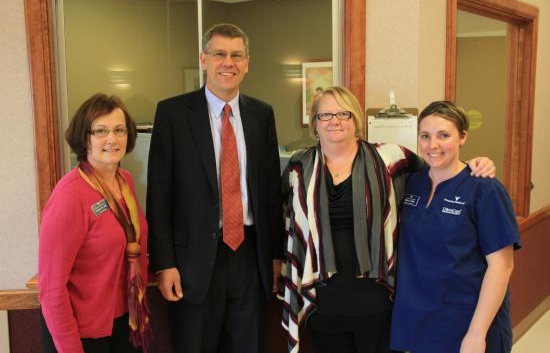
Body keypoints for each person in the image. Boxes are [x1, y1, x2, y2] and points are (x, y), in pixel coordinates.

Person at [278, 87, 495, 353]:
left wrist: (474, 162)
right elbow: (285, 222)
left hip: (378, 301)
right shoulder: (298, 166)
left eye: (343, 113)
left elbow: (440, 169)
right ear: (314, 124)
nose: (335, 121)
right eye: (325, 115)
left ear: (356, 119)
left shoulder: (391, 158)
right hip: (322, 301)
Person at [146, 23, 283, 353]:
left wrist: (275, 256)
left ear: (247, 63)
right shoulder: (173, 113)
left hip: (250, 256)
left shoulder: (262, 114)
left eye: (237, 55)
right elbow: (159, 195)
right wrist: (164, 263)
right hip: (193, 260)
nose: (228, 62)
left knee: (248, 345)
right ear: (203, 60)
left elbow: (269, 195)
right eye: (219, 54)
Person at [390, 101, 520, 353]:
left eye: (444, 135)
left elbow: (502, 266)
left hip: (465, 322)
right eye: (425, 136)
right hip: (417, 319)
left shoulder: (484, 189)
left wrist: (476, 334)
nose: (433, 145)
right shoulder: (412, 183)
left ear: (463, 137)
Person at [39, 94, 150, 353]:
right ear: (84, 137)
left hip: (126, 321)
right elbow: (51, 288)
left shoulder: (125, 181)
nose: (112, 139)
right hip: (83, 333)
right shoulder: (70, 196)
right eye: (101, 130)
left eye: (119, 130)